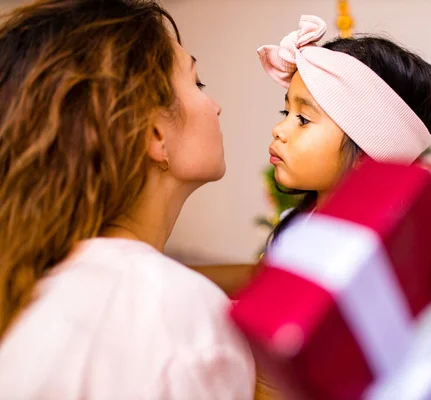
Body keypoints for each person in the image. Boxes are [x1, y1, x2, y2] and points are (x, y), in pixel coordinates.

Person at [260, 15, 431, 398]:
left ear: (366, 152)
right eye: (286, 112)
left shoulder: (397, 252)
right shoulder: (294, 230)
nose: (280, 129)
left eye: (303, 118)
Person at [0, 0, 255, 398]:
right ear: (154, 134)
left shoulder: (33, 291)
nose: (215, 105)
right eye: (197, 82)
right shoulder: (173, 311)